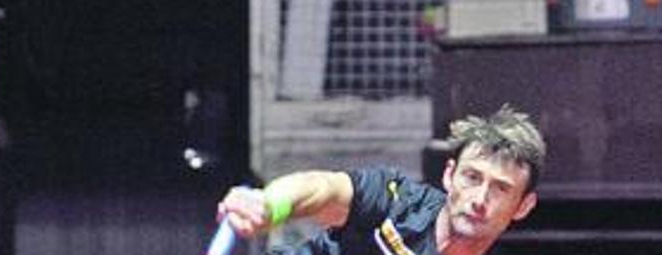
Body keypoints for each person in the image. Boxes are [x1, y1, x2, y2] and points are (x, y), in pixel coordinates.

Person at [217, 104, 546, 254]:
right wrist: (269, 205)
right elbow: (323, 189)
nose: (479, 198)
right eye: (472, 177)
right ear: (449, 175)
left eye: (501, 188)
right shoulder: (397, 201)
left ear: (523, 206)